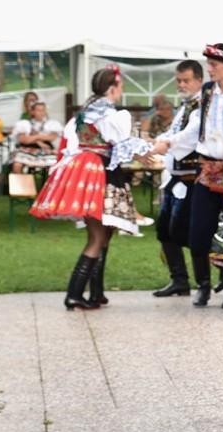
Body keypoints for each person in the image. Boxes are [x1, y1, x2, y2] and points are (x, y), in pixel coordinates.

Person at [31, 65, 168, 309]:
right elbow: (122, 143)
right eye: (120, 86)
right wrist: (149, 149)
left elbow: (75, 145)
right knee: (97, 237)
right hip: (101, 173)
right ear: (112, 88)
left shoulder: (83, 113)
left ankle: (96, 292)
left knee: (103, 233)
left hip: (85, 170)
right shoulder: (111, 114)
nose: (121, 90)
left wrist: (138, 151)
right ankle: (74, 294)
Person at [162, 43, 223, 307]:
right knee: (198, 232)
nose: (209, 69)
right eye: (208, 64)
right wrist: (170, 143)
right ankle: (203, 286)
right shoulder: (207, 92)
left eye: (214, 64)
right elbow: (195, 129)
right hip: (206, 170)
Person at [152, 61, 204, 297]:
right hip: (177, 178)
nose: (181, 85)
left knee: (193, 233)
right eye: (179, 81)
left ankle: (212, 281)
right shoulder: (186, 106)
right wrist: (159, 141)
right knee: (165, 230)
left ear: (198, 80)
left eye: (186, 81)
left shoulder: (202, 105)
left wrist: (167, 143)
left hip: (194, 178)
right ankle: (179, 279)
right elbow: (174, 132)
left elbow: (189, 136)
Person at [9, 100, 63, 175]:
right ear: (33, 112)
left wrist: (33, 136)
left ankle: (50, 182)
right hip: (27, 149)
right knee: (17, 164)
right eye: (38, 110)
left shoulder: (51, 124)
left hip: (45, 150)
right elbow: (24, 140)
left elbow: (51, 137)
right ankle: (22, 182)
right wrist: (39, 140)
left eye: (43, 110)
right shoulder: (25, 124)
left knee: (56, 164)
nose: (41, 113)